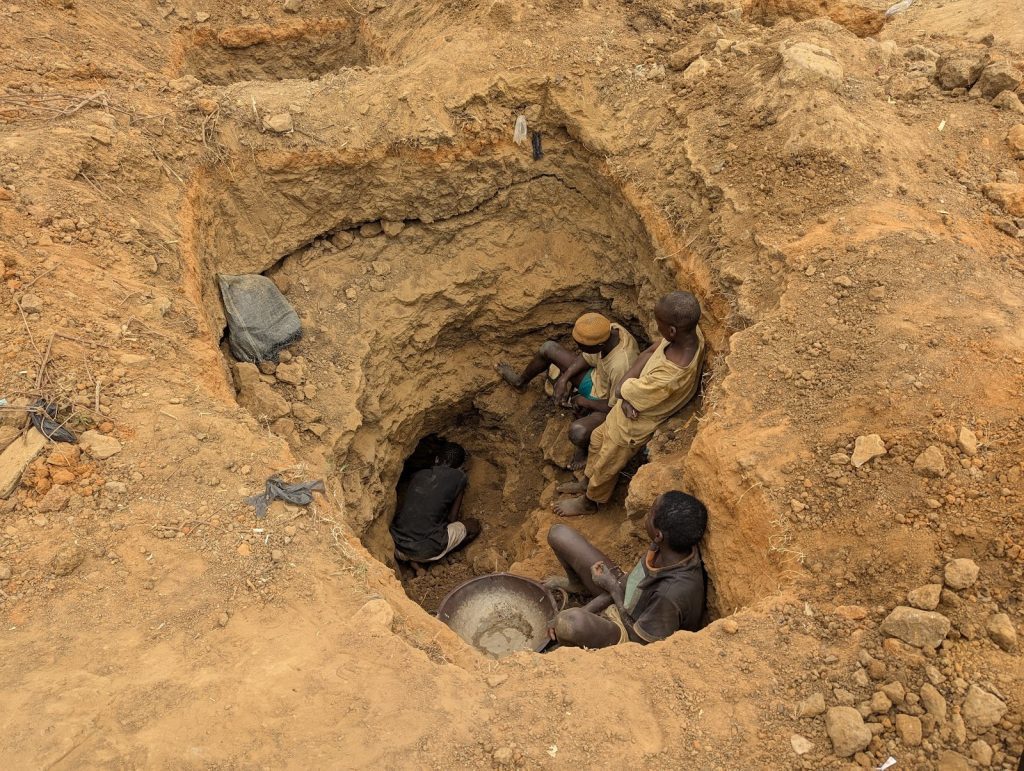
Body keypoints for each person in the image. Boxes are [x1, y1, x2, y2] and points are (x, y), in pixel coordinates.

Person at [554, 291, 705, 516]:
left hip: (631, 428)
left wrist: (624, 391)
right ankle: (586, 481)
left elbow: (622, 387)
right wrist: (625, 395)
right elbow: (651, 351)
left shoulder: (669, 377)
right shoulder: (688, 335)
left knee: (607, 463)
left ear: (672, 330)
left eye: (659, 325)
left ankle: (589, 501)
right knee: (597, 441)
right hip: (623, 413)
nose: (658, 329)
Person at [545, 491, 707, 648]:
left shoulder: (670, 594)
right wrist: (590, 607)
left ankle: (566, 651)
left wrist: (613, 590)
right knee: (559, 534)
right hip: (625, 596)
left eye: (650, 513)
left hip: (631, 632)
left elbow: (641, 643)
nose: (646, 515)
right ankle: (579, 586)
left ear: (658, 535)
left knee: (569, 623)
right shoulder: (668, 546)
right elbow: (624, 584)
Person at [496, 312, 639, 469]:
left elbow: (614, 407)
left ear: (599, 346)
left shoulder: (621, 364)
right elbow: (586, 358)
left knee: (577, 432)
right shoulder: (607, 330)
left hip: (606, 404)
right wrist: (564, 379)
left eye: (582, 346)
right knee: (548, 348)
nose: (578, 349)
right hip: (595, 379)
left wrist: (585, 402)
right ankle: (520, 382)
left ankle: (585, 452)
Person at [390, 443, 481, 563]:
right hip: (425, 552)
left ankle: (413, 563)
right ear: (459, 466)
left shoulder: (417, 475)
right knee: (474, 525)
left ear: (437, 459)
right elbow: (452, 518)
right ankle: (436, 559)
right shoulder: (459, 477)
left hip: (398, 546)